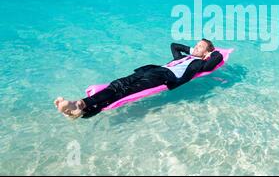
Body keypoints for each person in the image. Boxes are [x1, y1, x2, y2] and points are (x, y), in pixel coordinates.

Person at [54, 39, 223, 119]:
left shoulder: (199, 64)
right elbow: (174, 45)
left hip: (165, 77)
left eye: (200, 46)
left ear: (206, 52)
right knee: (118, 84)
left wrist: (208, 54)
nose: (196, 47)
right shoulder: (183, 57)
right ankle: (83, 109)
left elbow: (217, 59)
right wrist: (192, 49)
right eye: (197, 44)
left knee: (125, 91)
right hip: (154, 70)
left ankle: (80, 104)